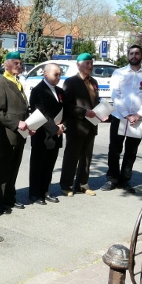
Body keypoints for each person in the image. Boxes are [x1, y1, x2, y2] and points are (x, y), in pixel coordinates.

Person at [101, 45, 142, 194]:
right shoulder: (119, 73)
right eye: (131, 53)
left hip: (138, 119)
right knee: (114, 149)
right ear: (128, 56)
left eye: (137, 53)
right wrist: (126, 114)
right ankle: (112, 179)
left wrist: (138, 114)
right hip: (120, 117)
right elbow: (115, 95)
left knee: (131, 151)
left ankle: (125, 180)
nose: (134, 56)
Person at [0, 51, 33, 214]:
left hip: (20, 133)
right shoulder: (1, 83)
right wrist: (16, 123)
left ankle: (9, 197)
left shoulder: (17, 81)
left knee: (14, 167)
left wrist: (29, 124)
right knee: (3, 169)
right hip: (7, 134)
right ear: (6, 64)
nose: (19, 66)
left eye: (20, 63)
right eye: (15, 63)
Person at [59, 53, 100, 197]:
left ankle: (82, 184)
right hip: (76, 126)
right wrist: (84, 112)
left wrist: (102, 112)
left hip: (91, 125)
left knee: (86, 158)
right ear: (78, 65)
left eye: (91, 63)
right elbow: (67, 105)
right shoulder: (71, 82)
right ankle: (66, 185)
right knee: (71, 157)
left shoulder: (94, 81)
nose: (90, 66)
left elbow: (95, 102)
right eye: (87, 63)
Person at [28, 63, 65, 205]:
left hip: (57, 133)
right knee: (38, 165)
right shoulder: (38, 91)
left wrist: (63, 126)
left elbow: (65, 110)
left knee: (49, 165)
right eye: (56, 74)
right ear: (45, 74)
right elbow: (40, 113)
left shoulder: (60, 91)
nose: (58, 77)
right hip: (42, 135)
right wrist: (55, 128)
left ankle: (46, 191)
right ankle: (35, 194)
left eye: (60, 74)